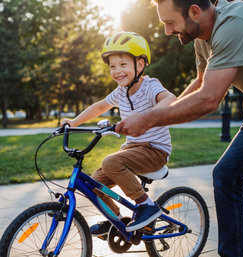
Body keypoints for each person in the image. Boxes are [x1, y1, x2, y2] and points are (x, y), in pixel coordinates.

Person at [115, 0, 243, 256]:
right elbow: (200, 85)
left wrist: (148, 121)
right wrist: (150, 114)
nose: (167, 31)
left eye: (170, 23)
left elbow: (209, 99)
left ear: (194, 12)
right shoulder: (201, 37)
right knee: (226, 175)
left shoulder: (235, 23)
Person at [61, 31, 176, 235]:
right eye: (112, 66)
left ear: (139, 65)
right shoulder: (121, 91)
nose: (117, 71)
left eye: (123, 64)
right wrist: (73, 121)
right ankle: (116, 220)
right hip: (132, 149)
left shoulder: (150, 86)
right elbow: (99, 107)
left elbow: (170, 99)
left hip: (155, 151)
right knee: (93, 184)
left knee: (110, 162)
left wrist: (145, 117)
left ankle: (146, 206)